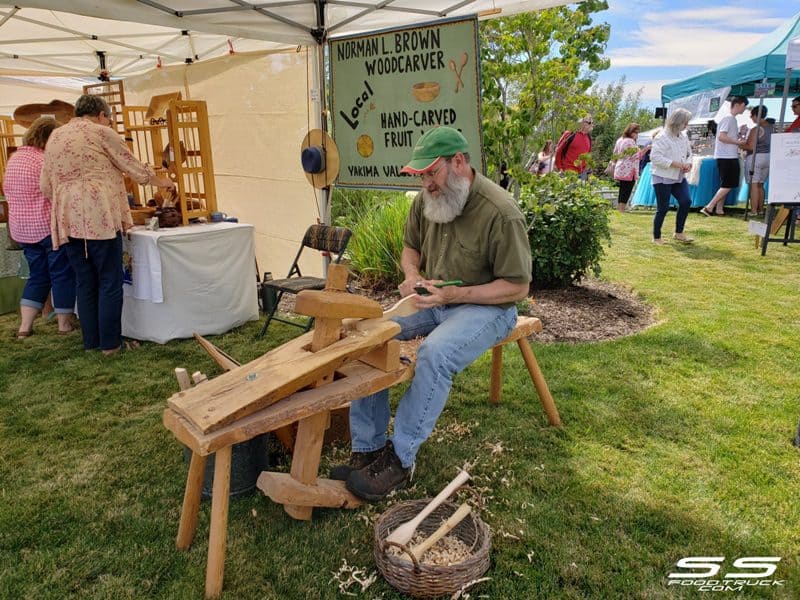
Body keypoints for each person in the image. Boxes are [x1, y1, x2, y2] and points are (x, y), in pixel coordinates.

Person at [331, 126, 532, 501]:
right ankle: (369, 448)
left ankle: (400, 459)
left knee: (435, 354)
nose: (426, 183)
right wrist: (412, 277)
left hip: (486, 308)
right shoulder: (427, 200)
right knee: (371, 333)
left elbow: (518, 287)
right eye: (421, 175)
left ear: (459, 163)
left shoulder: (501, 212)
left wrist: (456, 294)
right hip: (435, 300)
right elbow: (411, 248)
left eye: (431, 172)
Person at [40, 94, 175, 356]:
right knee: (109, 281)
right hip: (98, 214)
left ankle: (92, 343)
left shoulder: (55, 136)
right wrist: (164, 183)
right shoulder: (101, 132)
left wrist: (69, 196)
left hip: (67, 218)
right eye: (110, 119)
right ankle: (111, 345)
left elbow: (45, 185)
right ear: (102, 115)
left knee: (84, 281)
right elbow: (133, 168)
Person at [3, 116, 76, 339]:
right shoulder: (45, 161)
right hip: (46, 227)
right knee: (61, 274)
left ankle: (24, 327)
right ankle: (64, 324)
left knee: (37, 275)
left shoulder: (15, 159)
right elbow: (55, 193)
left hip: (22, 229)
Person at [649, 108, 694, 245]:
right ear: (677, 122)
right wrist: (674, 164)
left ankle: (679, 233)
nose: (686, 126)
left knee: (686, 201)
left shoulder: (683, 136)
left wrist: (688, 164)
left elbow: (689, 154)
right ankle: (657, 237)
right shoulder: (661, 137)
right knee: (663, 208)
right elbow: (655, 157)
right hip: (662, 177)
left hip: (678, 176)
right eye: (685, 123)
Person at [701, 96, 749, 217]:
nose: (744, 109)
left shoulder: (730, 119)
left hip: (726, 156)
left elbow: (725, 136)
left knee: (726, 184)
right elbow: (722, 137)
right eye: (744, 106)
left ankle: (719, 209)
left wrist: (739, 134)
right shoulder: (729, 119)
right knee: (729, 184)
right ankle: (709, 207)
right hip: (727, 157)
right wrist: (739, 142)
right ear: (739, 104)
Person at [742, 105, 772, 216]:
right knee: (761, 185)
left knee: (754, 184)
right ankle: (760, 209)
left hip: (756, 157)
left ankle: (753, 210)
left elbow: (750, 147)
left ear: (756, 115)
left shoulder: (756, 129)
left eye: (751, 115)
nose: (751, 118)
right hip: (768, 157)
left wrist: (740, 145)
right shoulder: (772, 128)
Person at [611, 123, 641, 213]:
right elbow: (636, 155)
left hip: (620, 167)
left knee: (622, 188)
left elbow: (615, 153)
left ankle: (620, 207)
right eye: (636, 132)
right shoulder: (630, 141)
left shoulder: (620, 140)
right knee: (627, 189)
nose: (637, 134)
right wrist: (646, 149)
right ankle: (622, 209)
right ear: (631, 132)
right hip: (629, 169)